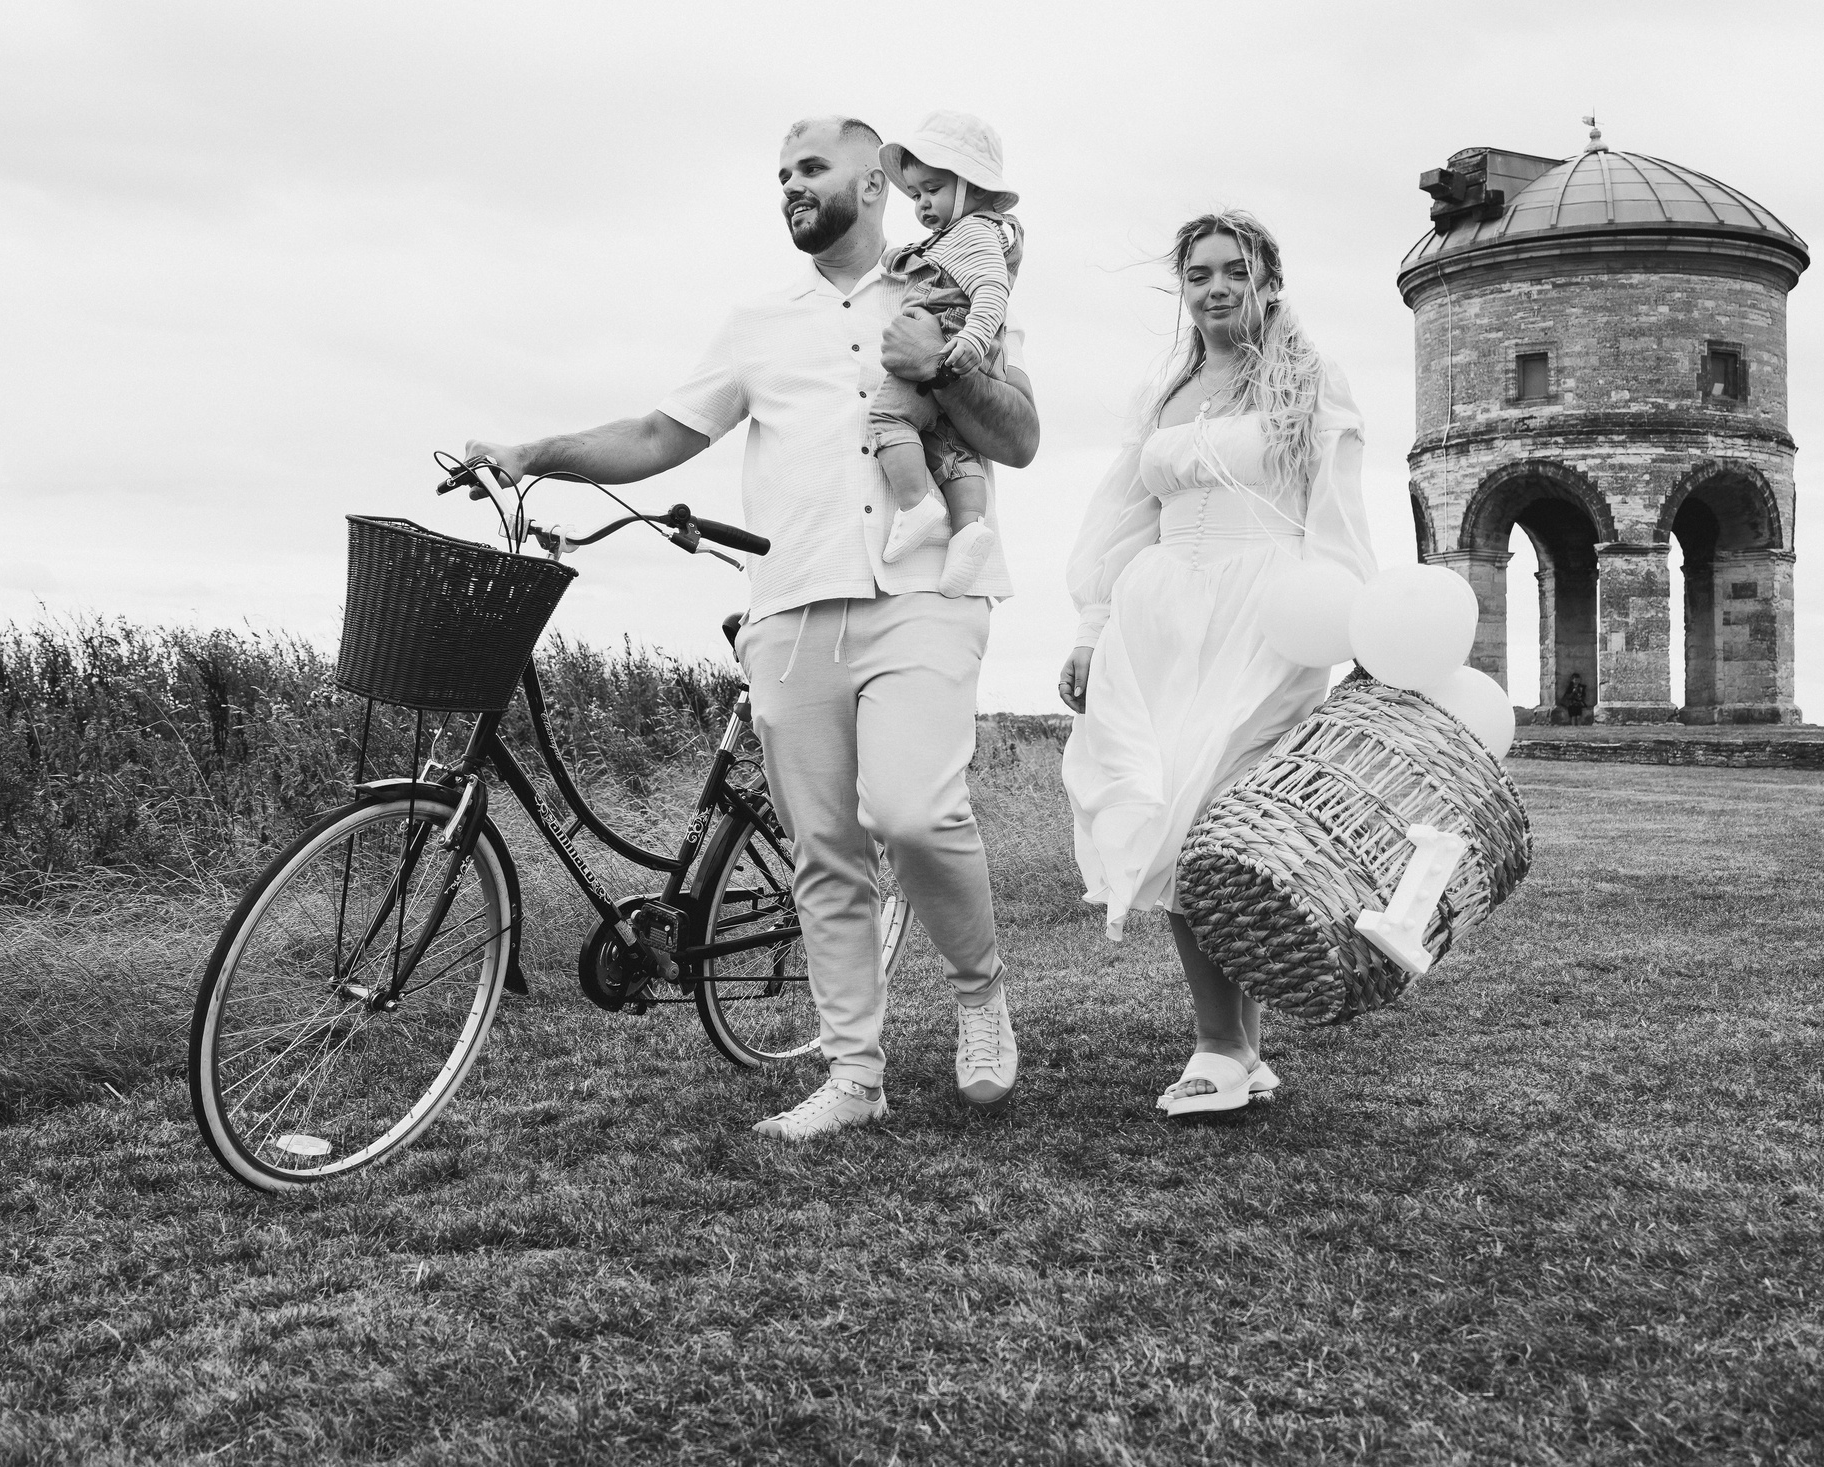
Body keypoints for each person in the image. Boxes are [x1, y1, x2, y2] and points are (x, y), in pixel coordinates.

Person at [466, 116, 1039, 1141]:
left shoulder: (946, 286)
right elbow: (657, 434)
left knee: (913, 814)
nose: (788, 187)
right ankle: (854, 1078)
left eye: (810, 169)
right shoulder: (757, 321)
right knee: (825, 849)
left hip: (925, 593)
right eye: (779, 175)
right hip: (792, 604)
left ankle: (977, 992)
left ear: (873, 186)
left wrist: (942, 365)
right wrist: (535, 450)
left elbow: (1022, 439)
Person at [1056, 211, 1374, 1118]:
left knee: (1208, 824)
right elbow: (1122, 518)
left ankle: (1218, 1047)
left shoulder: (1311, 380)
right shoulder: (1167, 392)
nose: (1217, 287)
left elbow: (1337, 514)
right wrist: (1090, 624)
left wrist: (1343, 625)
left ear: (1271, 278)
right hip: (1156, 619)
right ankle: (1241, 1050)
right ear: (1183, 288)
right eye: (1199, 274)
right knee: (1171, 812)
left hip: (1264, 614)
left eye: (1236, 270)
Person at [870, 113, 1025, 597]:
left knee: (890, 420)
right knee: (949, 445)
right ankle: (968, 529)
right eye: (915, 194)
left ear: (974, 188)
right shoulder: (966, 235)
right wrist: (900, 258)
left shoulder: (975, 232)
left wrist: (972, 341)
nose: (921, 203)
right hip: (959, 345)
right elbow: (933, 257)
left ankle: (915, 503)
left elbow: (991, 288)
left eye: (932, 189)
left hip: (946, 335)